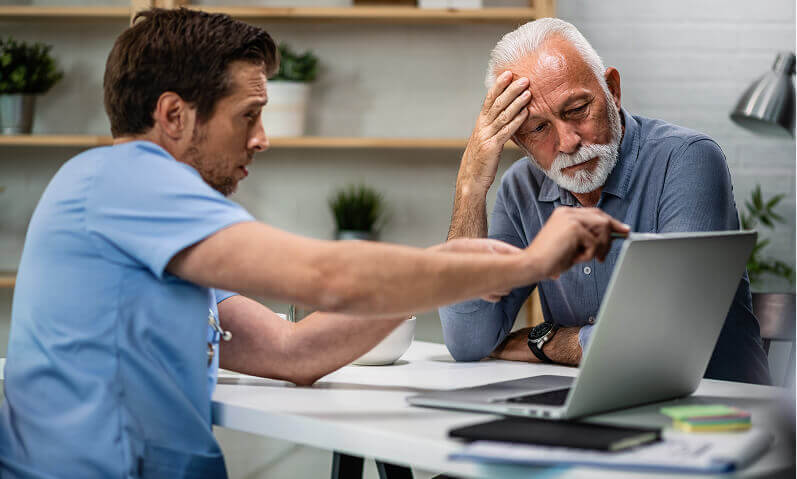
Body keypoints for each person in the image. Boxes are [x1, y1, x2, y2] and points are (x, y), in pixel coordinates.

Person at [0, 9, 627, 478]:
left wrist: (447, 264)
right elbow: (324, 276)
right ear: (174, 116)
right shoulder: (126, 181)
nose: (263, 138)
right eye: (248, 114)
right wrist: (527, 262)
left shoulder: (142, 214)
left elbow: (291, 351)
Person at [439, 18, 771, 385]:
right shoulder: (521, 189)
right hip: (599, 402)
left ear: (611, 89)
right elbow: (467, 340)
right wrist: (470, 186)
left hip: (719, 407)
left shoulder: (688, 159)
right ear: (519, 140)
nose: (567, 142)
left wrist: (545, 341)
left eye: (578, 109)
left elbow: (666, 339)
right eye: (537, 128)